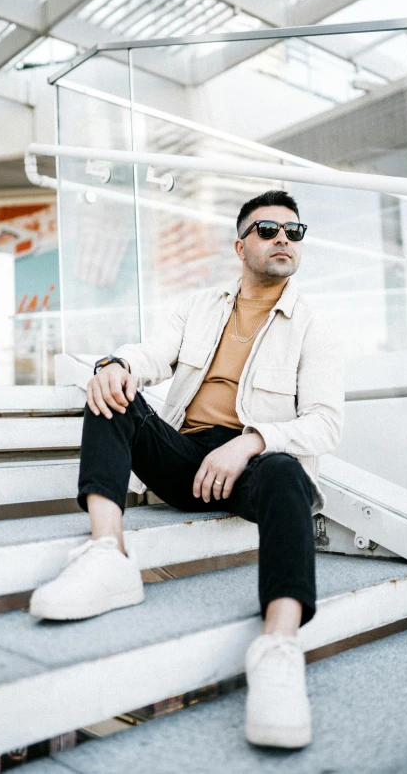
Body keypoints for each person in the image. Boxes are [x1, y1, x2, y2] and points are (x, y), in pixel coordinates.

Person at [30, 190, 345, 749]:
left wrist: (251, 442)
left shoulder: (314, 326)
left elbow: (325, 424)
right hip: (182, 458)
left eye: (294, 233)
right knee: (111, 389)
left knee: (288, 475)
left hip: (251, 466)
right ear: (240, 243)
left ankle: (278, 645)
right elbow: (151, 355)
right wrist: (117, 364)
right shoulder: (198, 306)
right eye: (269, 230)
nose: (283, 240)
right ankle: (108, 553)